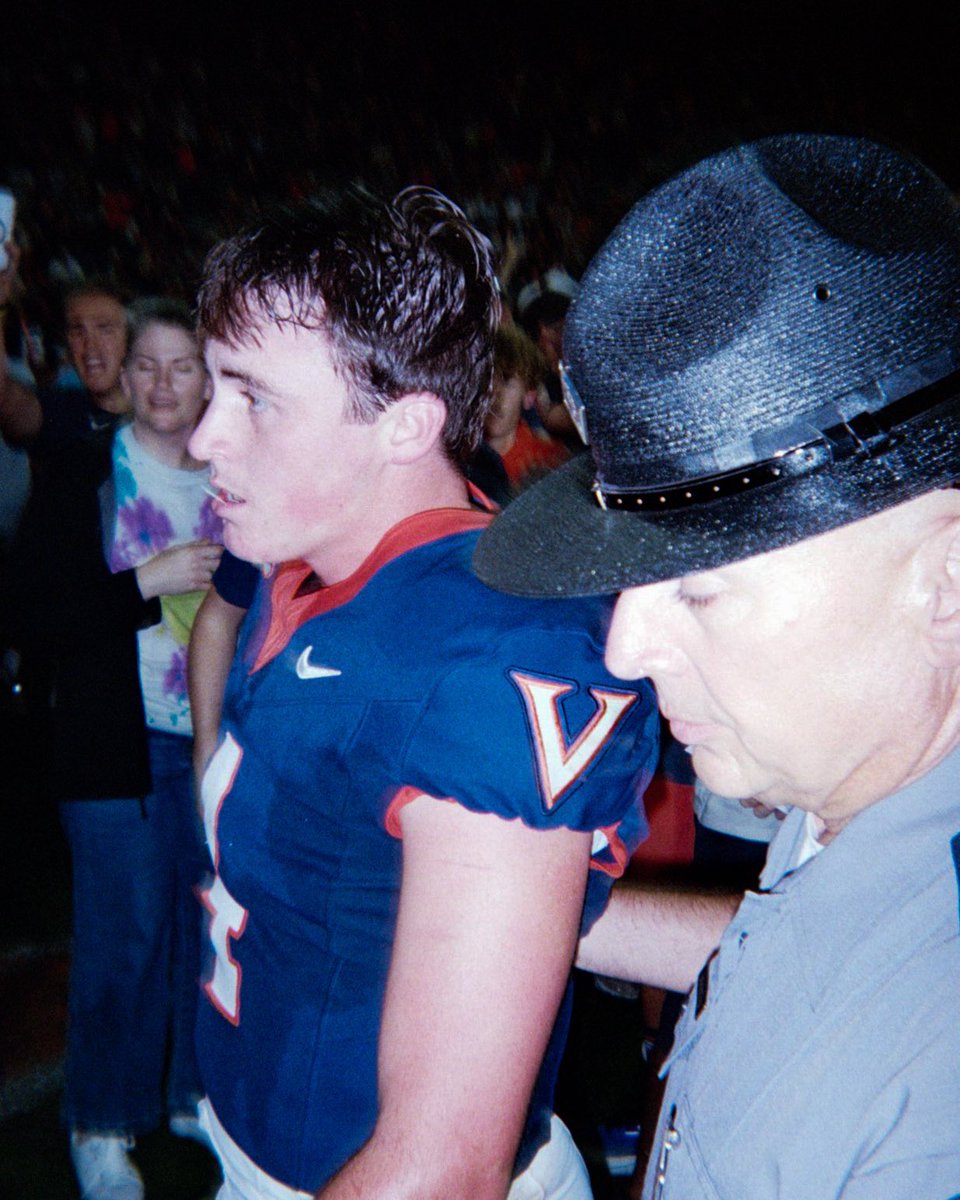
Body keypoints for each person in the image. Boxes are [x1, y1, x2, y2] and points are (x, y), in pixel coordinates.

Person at [473, 134, 960, 1198]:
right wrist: (535, 911)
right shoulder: (860, 793)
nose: (625, 648)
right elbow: (807, 945)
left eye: (699, 587)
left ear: (947, 579)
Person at [187, 185, 658, 1200]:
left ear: (405, 425)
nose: (204, 437)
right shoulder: (307, 561)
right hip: (262, 1134)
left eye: (253, 396)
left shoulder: (493, 655)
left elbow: (443, 1168)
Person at [3, 297, 223, 1200]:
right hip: (113, 748)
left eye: (184, 367)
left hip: (211, 739)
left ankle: (185, 1097)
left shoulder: (232, 480)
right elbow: (28, 617)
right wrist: (144, 582)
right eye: (149, 366)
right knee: (121, 943)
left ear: (209, 381)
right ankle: (100, 1120)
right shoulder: (81, 473)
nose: (166, 384)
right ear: (122, 378)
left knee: (198, 933)